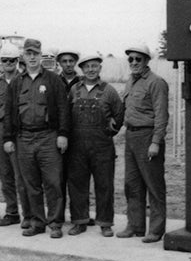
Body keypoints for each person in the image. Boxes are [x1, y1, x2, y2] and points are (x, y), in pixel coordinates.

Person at [3, 38, 70, 239]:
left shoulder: (52, 80)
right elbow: (9, 112)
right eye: (28, 54)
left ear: (41, 56)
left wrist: (63, 134)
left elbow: (63, 108)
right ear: (23, 56)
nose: (32, 57)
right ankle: (37, 222)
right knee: (30, 184)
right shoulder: (16, 82)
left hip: (47, 137)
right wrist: (8, 138)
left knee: (53, 182)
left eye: (35, 54)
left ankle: (55, 223)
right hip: (24, 138)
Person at [117, 43, 169, 243]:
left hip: (147, 137)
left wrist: (155, 142)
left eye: (138, 59)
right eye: (130, 59)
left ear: (147, 61)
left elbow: (161, 115)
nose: (134, 63)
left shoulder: (156, 82)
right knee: (132, 184)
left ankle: (156, 230)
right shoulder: (130, 82)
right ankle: (135, 225)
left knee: (154, 185)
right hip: (131, 137)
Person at [67, 55, 123, 237]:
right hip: (77, 147)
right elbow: (66, 115)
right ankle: (79, 221)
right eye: (87, 67)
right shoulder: (74, 90)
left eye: (94, 66)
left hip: (102, 147)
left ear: (100, 68)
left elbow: (119, 115)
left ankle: (105, 223)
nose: (91, 69)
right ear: (82, 69)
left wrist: (108, 132)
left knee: (104, 185)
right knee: (77, 184)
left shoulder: (109, 91)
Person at [0, 43, 31, 228]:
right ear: (1, 62)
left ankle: (28, 214)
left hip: (18, 130)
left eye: (12, 60)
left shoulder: (24, 81)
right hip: (0, 128)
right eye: (5, 60)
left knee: (21, 174)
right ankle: (11, 211)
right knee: (4, 173)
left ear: (17, 61)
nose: (8, 63)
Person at [55, 49, 82, 226]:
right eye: (64, 61)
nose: (68, 64)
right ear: (60, 63)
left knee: (78, 177)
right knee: (58, 177)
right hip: (58, 134)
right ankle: (58, 215)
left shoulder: (83, 82)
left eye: (71, 61)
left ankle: (79, 216)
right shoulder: (54, 81)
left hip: (79, 134)